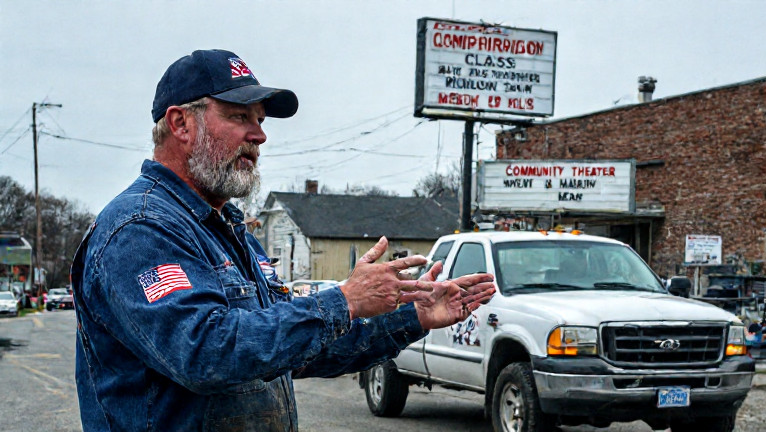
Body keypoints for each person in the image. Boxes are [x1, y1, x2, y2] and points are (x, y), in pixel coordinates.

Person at [70, 49, 495, 432]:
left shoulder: (230, 232)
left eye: (260, 120)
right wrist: (343, 299)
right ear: (181, 123)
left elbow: (297, 350)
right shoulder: (140, 228)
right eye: (239, 116)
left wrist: (414, 318)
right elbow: (204, 352)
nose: (259, 136)